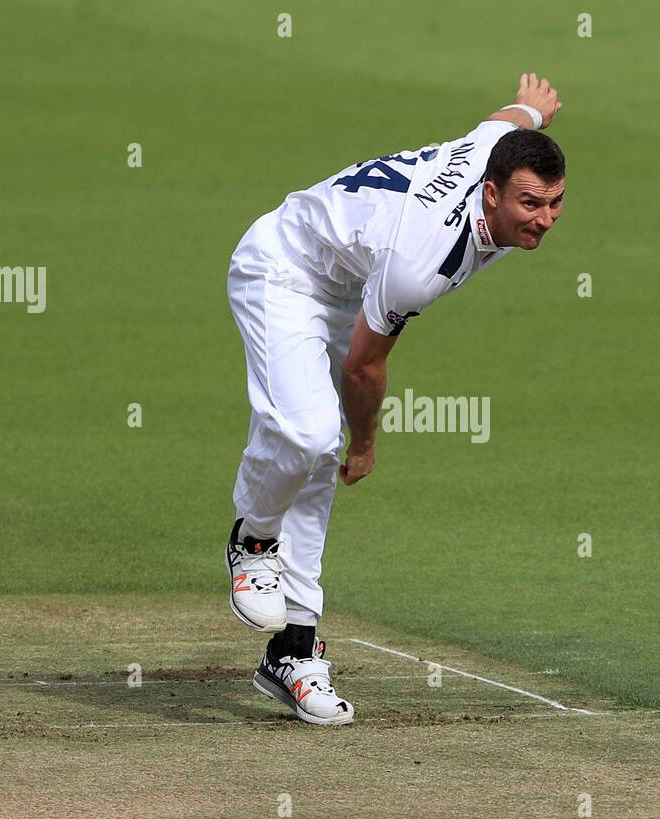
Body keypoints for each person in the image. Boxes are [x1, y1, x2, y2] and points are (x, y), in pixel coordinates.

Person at [225, 74, 566, 725]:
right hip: (283, 269)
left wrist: (533, 107)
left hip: (343, 282)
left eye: (554, 203)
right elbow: (364, 366)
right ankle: (253, 538)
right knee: (313, 437)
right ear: (490, 193)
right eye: (530, 203)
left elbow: (502, 120)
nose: (544, 219)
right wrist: (366, 444)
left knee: (314, 464)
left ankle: (293, 651)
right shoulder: (424, 262)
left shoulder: (495, 150)